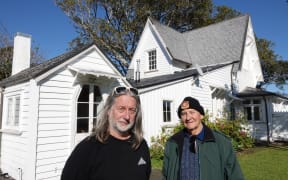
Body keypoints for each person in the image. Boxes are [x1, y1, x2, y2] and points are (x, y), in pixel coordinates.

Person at [61, 86, 151, 180]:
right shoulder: (87, 148)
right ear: (108, 111)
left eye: (132, 110)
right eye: (121, 108)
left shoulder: (141, 145)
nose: (127, 116)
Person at [162, 96, 244, 180]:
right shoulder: (172, 143)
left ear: (201, 115)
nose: (188, 117)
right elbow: (165, 175)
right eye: (183, 114)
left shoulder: (221, 142)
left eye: (192, 112)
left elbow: (235, 175)